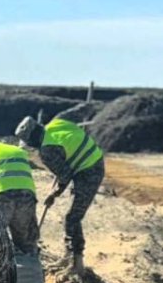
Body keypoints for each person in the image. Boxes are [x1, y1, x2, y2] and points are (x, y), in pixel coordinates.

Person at [14, 115, 105, 274]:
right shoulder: (55, 124)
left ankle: (77, 264)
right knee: (72, 216)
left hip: (89, 171)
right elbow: (67, 153)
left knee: (72, 218)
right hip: (93, 158)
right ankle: (67, 256)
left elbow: (65, 175)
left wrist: (54, 194)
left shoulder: (47, 151)